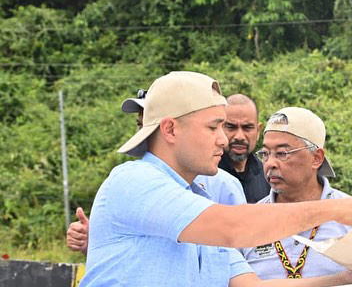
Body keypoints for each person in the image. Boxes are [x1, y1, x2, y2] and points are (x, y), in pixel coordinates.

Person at [65, 71, 352, 287]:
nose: (225, 140)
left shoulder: (203, 202)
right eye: (213, 127)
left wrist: (346, 279)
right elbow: (234, 228)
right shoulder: (134, 181)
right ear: (170, 130)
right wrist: (331, 210)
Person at [66, 91, 247, 254]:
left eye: (151, 121)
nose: (146, 130)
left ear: (168, 127)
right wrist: (99, 238)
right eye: (141, 123)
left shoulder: (221, 184)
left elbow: (237, 246)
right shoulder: (133, 179)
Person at [242, 107, 352, 279]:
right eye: (265, 154)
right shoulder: (249, 221)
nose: (270, 163)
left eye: (282, 153)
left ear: (316, 158)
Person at [218, 94, 270, 203]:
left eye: (247, 128)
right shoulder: (205, 174)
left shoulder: (268, 176)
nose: (239, 136)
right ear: (219, 127)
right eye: (231, 127)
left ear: (258, 131)